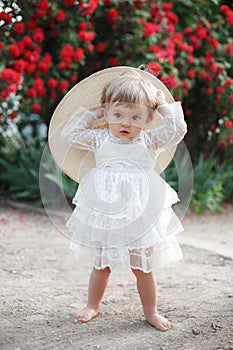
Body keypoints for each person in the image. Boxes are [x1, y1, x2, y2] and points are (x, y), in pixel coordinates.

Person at [60, 67, 187, 331]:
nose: (125, 123)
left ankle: (150, 311)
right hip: (107, 209)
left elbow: (177, 129)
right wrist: (95, 113)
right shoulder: (99, 138)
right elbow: (68, 134)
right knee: (101, 263)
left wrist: (161, 104)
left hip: (141, 212)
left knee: (143, 267)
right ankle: (93, 305)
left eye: (135, 116)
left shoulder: (150, 140)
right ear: (106, 114)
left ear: (148, 119)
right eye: (117, 115)